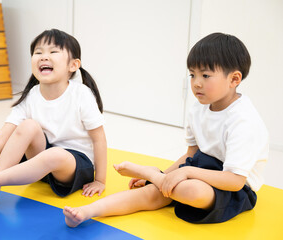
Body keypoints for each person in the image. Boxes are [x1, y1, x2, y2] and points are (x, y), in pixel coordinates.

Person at [63, 32, 269, 226]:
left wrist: (178, 174)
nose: (196, 83)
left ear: (234, 79)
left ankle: (152, 174)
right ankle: (87, 212)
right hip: (201, 169)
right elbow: (192, 154)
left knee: (191, 191)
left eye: (205, 76)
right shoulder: (199, 107)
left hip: (234, 187)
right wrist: (168, 175)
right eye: (192, 75)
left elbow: (234, 181)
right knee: (152, 193)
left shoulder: (243, 121)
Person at [0, 29, 107, 205]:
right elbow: (1, 138)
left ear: (73, 65)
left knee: (55, 154)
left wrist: (100, 180)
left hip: (74, 166)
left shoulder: (81, 94)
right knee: (28, 125)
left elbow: (99, 140)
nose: (44, 56)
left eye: (53, 52)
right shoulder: (31, 95)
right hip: (41, 165)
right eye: (38, 52)